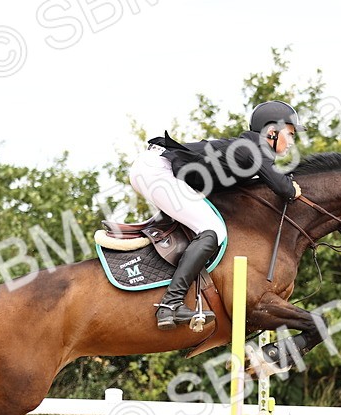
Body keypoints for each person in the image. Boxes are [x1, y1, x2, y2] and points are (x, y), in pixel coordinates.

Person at [129, 100, 303, 329]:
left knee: (207, 224)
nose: (291, 142)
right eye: (289, 135)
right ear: (271, 132)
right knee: (213, 230)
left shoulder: (249, 150)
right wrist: (294, 188)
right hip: (157, 170)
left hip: (157, 169)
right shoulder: (255, 150)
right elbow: (284, 189)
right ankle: (170, 305)